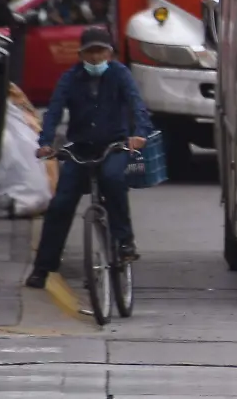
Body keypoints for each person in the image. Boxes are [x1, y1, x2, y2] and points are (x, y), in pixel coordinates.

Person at [25, 27, 153, 289]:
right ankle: (43, 268)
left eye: (100, 51)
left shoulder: (120, 75)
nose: (95, 58)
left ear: (110, 53)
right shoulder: (70, 78)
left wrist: (140, 134)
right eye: (90, 52)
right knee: (61, 203)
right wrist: (46, 142)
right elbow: (54, 110)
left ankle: (124, 241)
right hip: (80, 148)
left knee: (113, 179)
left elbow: (136, 104)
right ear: (81, 54)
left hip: (114, 146)